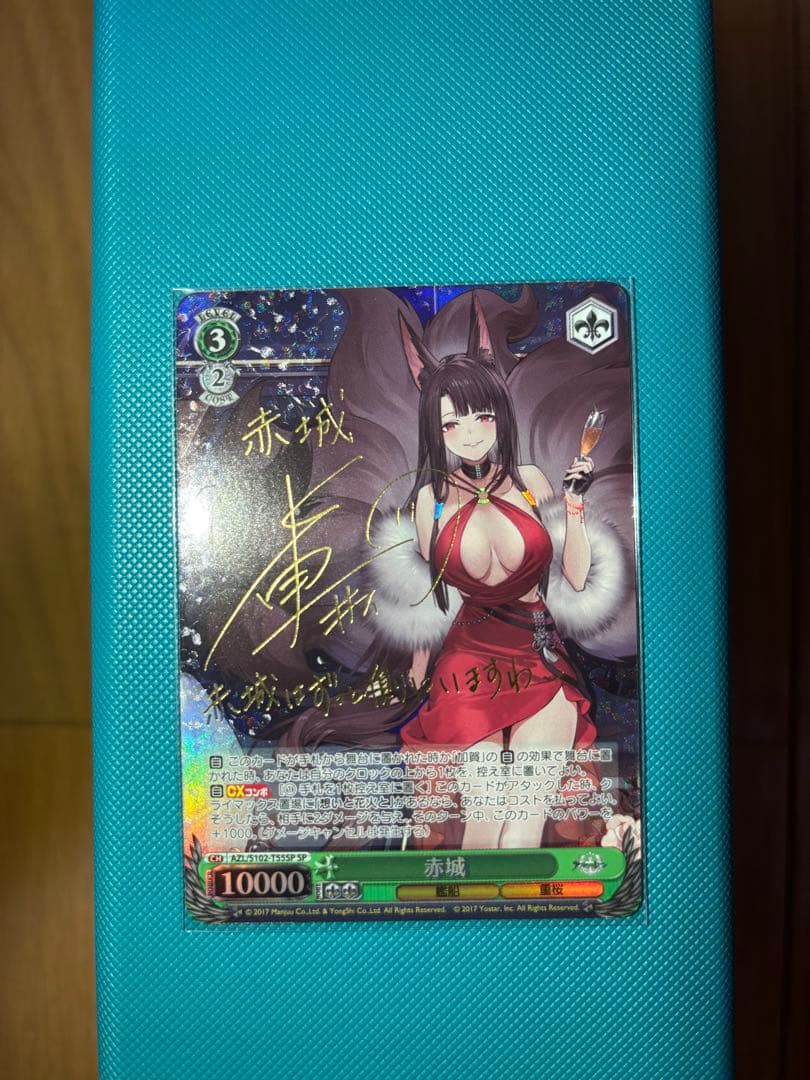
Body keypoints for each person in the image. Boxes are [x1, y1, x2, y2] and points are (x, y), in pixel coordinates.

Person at [390, 296, 598, 849]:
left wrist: (575, 505)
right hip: (468, 660)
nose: (471, 434)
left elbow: (576, 578)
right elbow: (428, 594)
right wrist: (419, 661)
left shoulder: (531, 481)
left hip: (536, 651)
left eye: (482, 416)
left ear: (500, 414)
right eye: (452, 423)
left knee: (524, 819)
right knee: (483, 815)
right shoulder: (431, 500)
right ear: (435, 429)